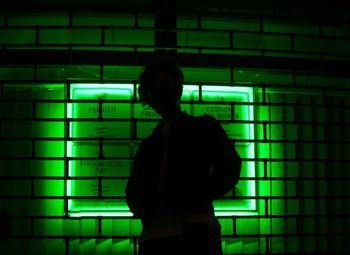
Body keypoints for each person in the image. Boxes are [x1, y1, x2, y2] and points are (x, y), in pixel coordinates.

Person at [125, 56, 242, 255]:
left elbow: (229, 169)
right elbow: (133, 192)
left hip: (182, 232)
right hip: (173, 233)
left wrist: (188, 198)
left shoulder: (201, 127)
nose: (166, 91)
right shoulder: (149, 145)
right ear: (149, 96)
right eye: (158, 87)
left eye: (169, 84)